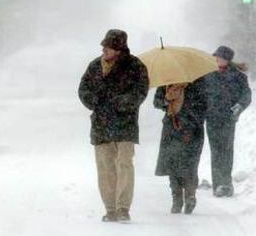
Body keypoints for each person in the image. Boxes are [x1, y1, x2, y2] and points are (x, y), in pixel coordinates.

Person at [78, 29, 149, 222]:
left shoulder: (135, 66)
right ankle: (110, 209)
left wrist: (121, 103)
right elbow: (83, 89)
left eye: (108, 46)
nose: (104, 49)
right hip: (101, 124)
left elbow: (141, 91)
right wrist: (93, 101)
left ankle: (123, 207)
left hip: (125, 124)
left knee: (124, 164)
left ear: (118, 48)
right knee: (105, 168)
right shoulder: (94, 66)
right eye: (103, 46)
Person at [153, 78, 207, 214]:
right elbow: (157, 102)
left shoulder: (197, 82)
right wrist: (167, 100)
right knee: (172, 165)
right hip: (171, 128)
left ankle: (190, 195)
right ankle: (176, 198)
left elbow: (203, 106)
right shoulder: (166, 83)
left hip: (193, 130)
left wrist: (189, 124)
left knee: (190, 164)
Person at [205, 46, 252, 197]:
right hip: (212, 119)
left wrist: (239, 107)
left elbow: (246, 96)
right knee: (216, 152)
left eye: (220, 57)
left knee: (226, 151)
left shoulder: (238, 77)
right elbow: (201, 96)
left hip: (228, 119)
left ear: (227, 60)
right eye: (216, 57)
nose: (217, 59)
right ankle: (218, 184)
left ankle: (226, 183)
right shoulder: (208, 75)